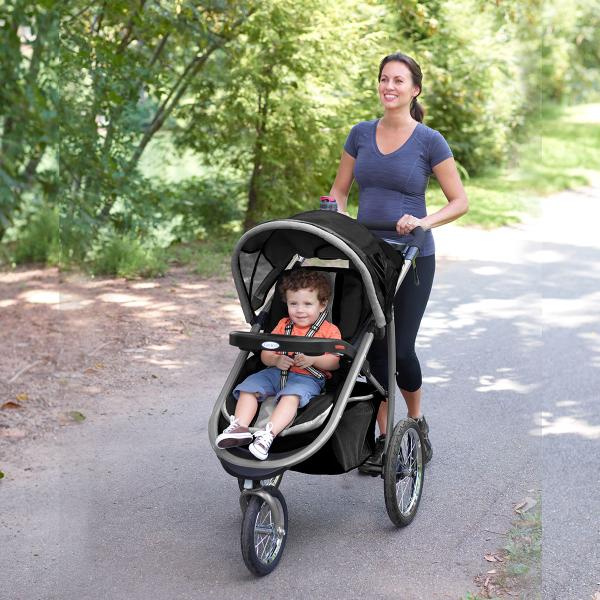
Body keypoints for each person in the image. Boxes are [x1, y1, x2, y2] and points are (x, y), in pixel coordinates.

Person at [328, 52, 468, 469]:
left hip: (412, 257)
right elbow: (339, 189)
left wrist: (422, 221)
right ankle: (386, 437)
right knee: (369, 351)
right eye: (384, 79)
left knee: (400, 350)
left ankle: (416, 421)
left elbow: (459, 202)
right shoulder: (360, 134)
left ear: (414, 89)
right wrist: (333, 214)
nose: (389, 86)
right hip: (365, 254)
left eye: (399, 81)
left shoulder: (430, 140)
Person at [216, 270, 341, 460]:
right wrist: (275, 360)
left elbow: (334, 362)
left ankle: (267, 435)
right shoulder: (283, 324)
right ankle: (239, 427)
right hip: (275, 372)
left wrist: (313, 359)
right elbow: (266, 353)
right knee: (248, 387)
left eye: (308, 304)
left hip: (307, 378)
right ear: (287, 303)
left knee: (291, 396)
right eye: (293, 304)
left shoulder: (329, 331)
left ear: (322, 305)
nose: (299, 310)